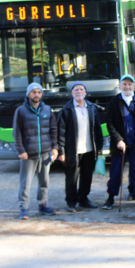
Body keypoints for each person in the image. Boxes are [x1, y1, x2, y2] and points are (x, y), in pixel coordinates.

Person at [104, 75, 135, 210]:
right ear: (120, 85)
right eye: (124, 84)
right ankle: (110, 197)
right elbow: (110, 123)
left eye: (130, 85)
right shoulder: (114, 102)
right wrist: (118, 140)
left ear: (133, 86)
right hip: (120, 146)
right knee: (115, 174)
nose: (127, 87)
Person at [14, 83, 59, 219]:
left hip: (45, 153)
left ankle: (43, 205)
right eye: (34, 92)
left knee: (44, 181)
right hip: (28, 154)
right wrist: (21, 150)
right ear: (28, 94)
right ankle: (24, 207)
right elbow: (17, 133)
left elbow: (53, 130)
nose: (36, 95)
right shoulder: (21, 111)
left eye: (39, 92)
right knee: (25, 182)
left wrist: (55, 148)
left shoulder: (47, 109)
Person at [57, 82, 103, 211]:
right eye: (75, 89)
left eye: (81, 89)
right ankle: (71, 202)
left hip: (89, 149)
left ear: (85, 92)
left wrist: (99, 147)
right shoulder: (66, 110)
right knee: (72, 178)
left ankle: (83, 199)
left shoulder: (92, 108)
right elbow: (60, 132)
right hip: (73, 151)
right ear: (72, 93)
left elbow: (97, 129)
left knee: (87, 176)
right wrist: (61, 150)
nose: (79, 91)